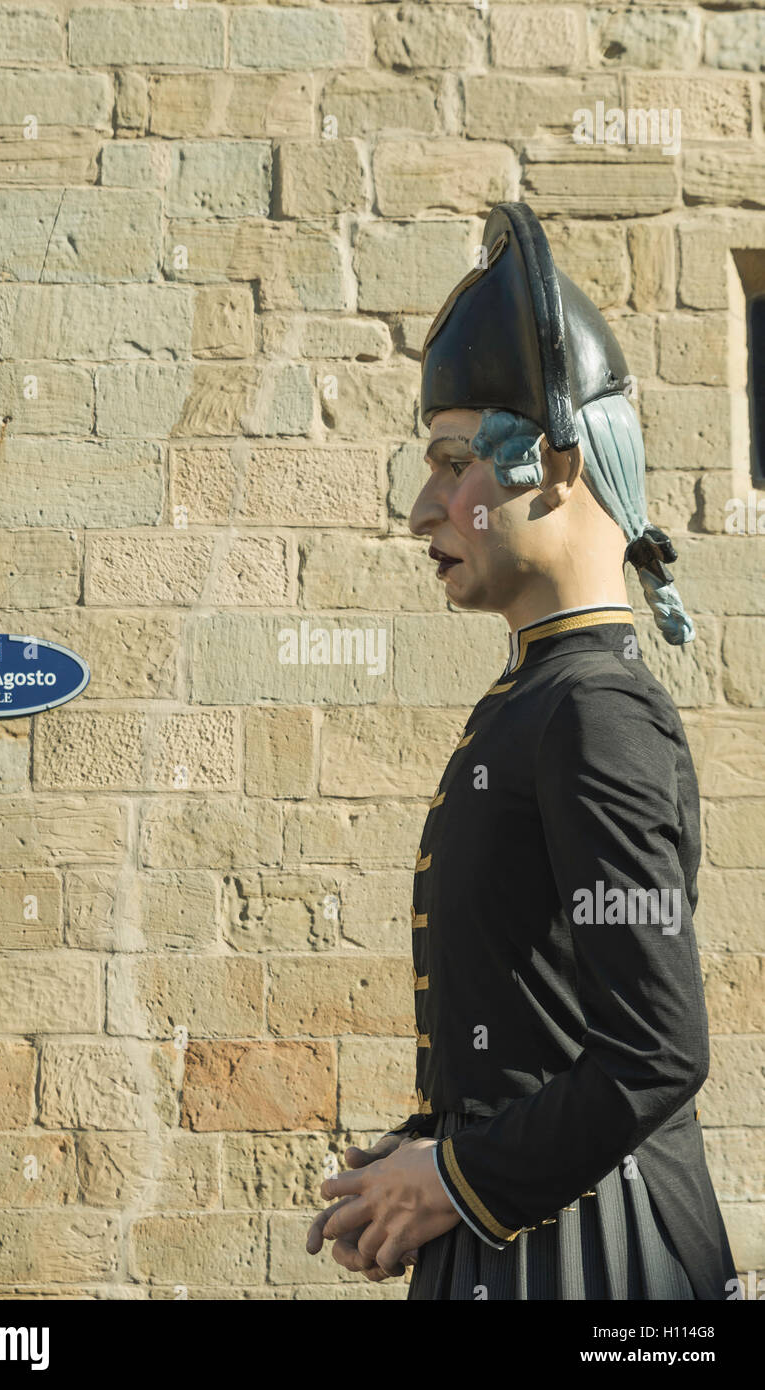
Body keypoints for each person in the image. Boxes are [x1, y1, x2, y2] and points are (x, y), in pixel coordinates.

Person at [305, 202, 736, 1300]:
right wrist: (414, 1166)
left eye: (453, 463)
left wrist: (451, 1179)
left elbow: (655, 1052)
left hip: (599, 1259)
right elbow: (535, 1031)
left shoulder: (597, 714)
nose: (423, 507)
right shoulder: (538, 698)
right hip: (516, 1237)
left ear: (555, 461)